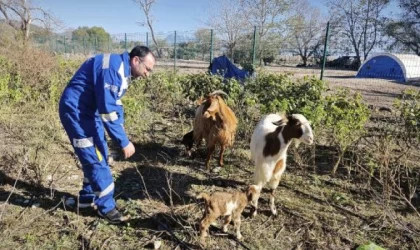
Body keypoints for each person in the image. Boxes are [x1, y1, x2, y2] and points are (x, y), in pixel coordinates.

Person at [59, 46, 156, 224]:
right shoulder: (113, 68)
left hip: (89, 112)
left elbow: (114, 104)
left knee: (100, 152)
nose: (147, 74)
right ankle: (107, 208)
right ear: (136, 60)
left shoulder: (120, 68)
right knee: (95, 157)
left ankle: (87, 199)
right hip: (77, 113)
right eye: (147, 69)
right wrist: (124, 141)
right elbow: (108, 110)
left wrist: (121, 131)